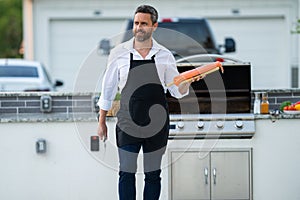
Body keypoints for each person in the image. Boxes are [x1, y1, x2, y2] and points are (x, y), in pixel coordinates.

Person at [97, 5, 195, 200]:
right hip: (127, 123)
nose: (138, 27)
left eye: (143, 23)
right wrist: (101, 122)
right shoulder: (119, 53)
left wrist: (187, 83)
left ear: (154, 26)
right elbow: (107, 90)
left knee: (152, 175)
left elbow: (176, 90)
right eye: (136, 23)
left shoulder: (165, 55)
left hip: (156, 125)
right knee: (126, 172)